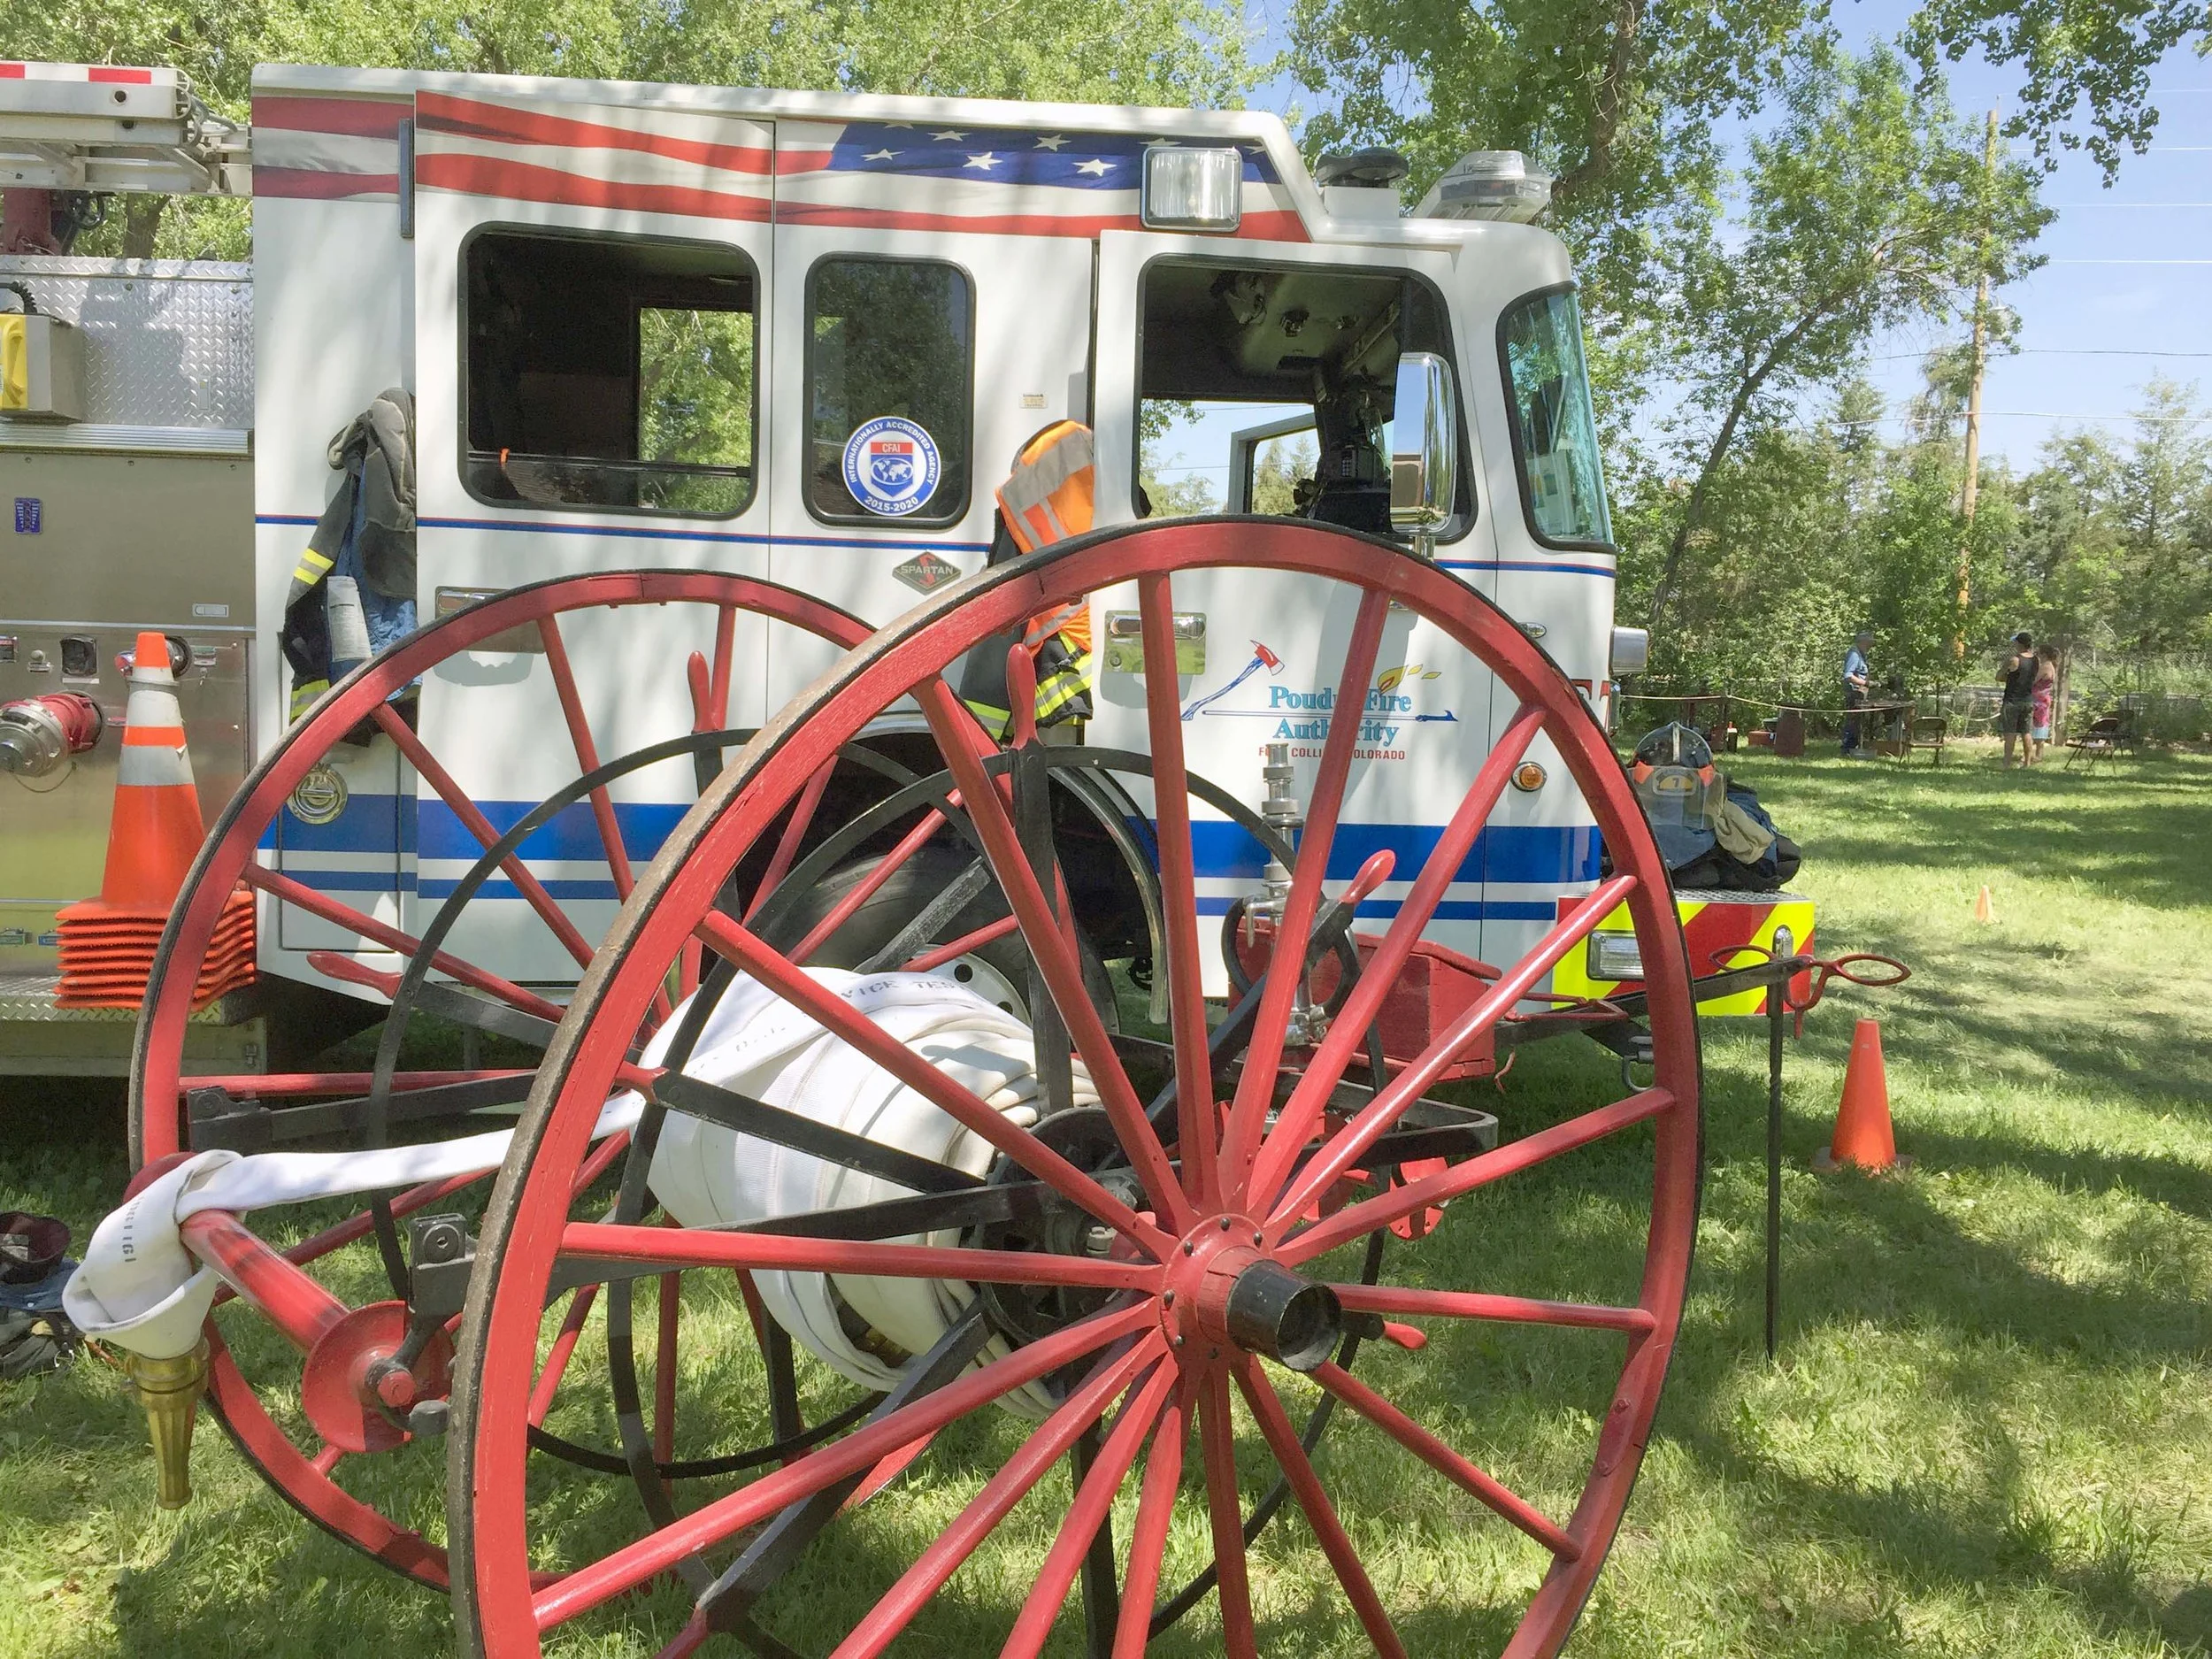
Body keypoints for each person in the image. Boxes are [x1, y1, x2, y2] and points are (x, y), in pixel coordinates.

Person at [1999, 631, 2039, 768]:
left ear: (2019, 643)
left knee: (2010, 733)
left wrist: (2007, 675)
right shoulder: (2035, 660)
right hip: (2028, 700)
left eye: (2015, 642)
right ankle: (2027, 763)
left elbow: (1999, 676)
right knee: (2026, 732)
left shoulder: (2014, 660)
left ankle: (2006, 764)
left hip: (2012, 700)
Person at [1839, 630, 1874, 757]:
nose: (1870, 646)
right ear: (1863, 642)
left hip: (1860, 694)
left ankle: (1855, 748)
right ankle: (1847, 750)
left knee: (1858, 723)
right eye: (1869, 643)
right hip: (1854, 693)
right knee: (1852, 723)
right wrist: (1866, 683)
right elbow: (1848, 676)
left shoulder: (1862, 655)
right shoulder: (1854, 654)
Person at [2031, 658, 2056, 764]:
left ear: (2044, 654)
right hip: (2042, 700)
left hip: (2038, 701)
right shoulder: (2051, 666)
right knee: (2040, 724)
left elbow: (2033, 680)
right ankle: (2037, 755)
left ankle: (2034, 755)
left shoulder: (2045, 666)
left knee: (2036, 726)